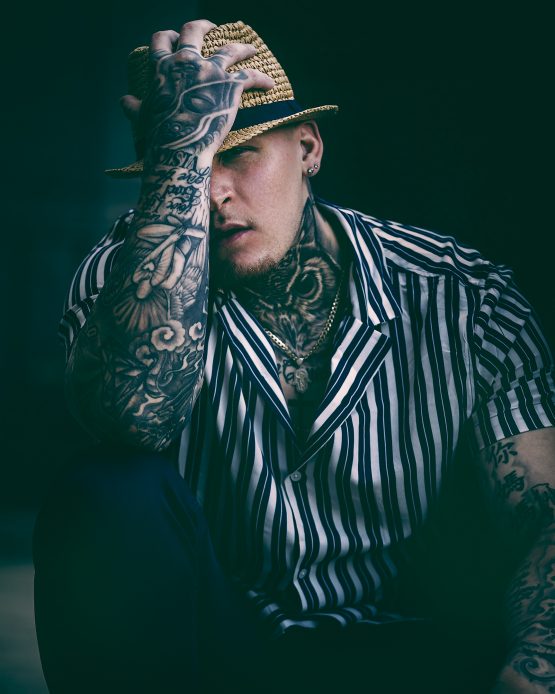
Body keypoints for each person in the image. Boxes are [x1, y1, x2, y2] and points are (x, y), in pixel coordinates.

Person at [33, 18, 555, 694]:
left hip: (417, 644)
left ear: (307, 148)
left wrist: (535, 668)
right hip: (214, 648)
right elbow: (130, 419)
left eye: (238, 153)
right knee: (107, 488)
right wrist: (180, 149)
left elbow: (541, 513)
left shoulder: (463, 296)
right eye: (187, 164)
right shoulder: (121, 278)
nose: (212, 193)